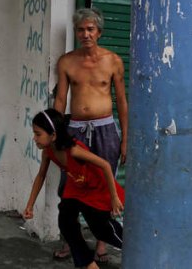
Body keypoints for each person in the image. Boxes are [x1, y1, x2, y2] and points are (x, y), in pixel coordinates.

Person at [53, 7, 128, 262]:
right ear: (75, 33)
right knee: (69, 187)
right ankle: (70, 242)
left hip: (106, 129)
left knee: (104, 189)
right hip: (74, 130)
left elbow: (122, 101)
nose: (85, 34)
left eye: (90, 29)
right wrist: (56, 133)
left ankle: (101, 245)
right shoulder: (66, 61)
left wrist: (125, 139)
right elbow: (61, 99)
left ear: (99, 32)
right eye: (81, 30)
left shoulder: (113, 61)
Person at [23, 109, 124, 269]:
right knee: (65, 221)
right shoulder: (48, 151)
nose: (34, 138)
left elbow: (105, 165)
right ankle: (89, 264)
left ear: (53, 135)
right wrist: (30, 204)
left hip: (97, 189)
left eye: (38, 134)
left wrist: (114, 198)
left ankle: (135, 246)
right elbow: (41, 176)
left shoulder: (75, 150)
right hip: (77, 188)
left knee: (102, 230)